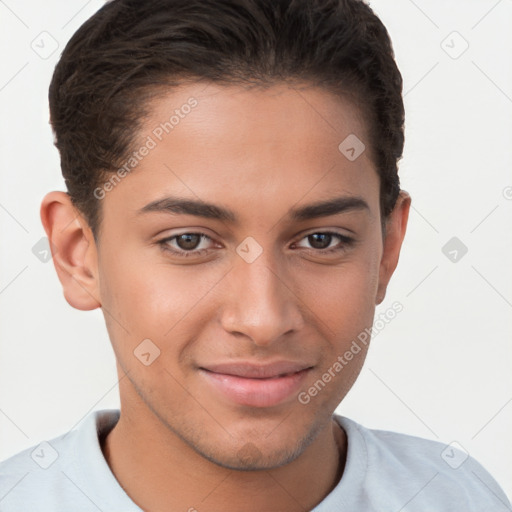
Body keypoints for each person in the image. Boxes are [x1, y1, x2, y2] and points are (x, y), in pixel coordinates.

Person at [0, 0, 509, 510]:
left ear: (387, 249)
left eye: (321, 240)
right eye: (188, 241)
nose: (263, 320)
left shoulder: (462, 497)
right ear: (76, 255)